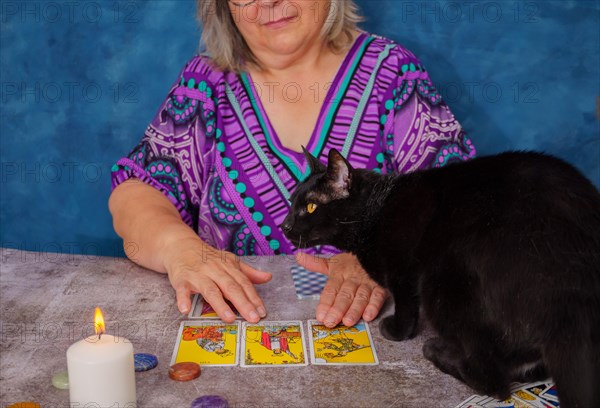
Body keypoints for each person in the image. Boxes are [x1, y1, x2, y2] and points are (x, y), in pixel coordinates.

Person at [108, 0, 475, 329]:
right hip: (235, 336)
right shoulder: (206, 84)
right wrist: (179, 249)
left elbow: (466, 203)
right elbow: (135, 196)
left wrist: (381, 255)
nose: (268, 2)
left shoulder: (392, 73)